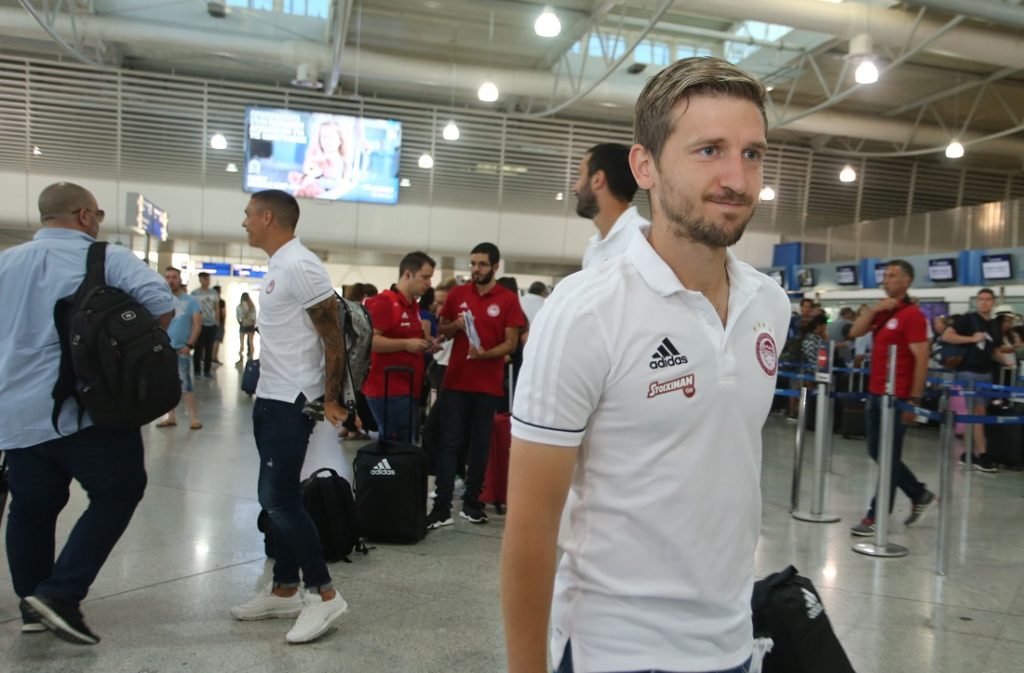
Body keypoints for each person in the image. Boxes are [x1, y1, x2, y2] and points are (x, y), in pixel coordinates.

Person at [501, 57, 790, 673]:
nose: (737, 179)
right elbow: (530, 526)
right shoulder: (584, 312)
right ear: (645, 166)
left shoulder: (770, 305)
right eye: (709, 150)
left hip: (731, 644)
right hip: (615, 650)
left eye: (752, 154)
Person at [0, 182, 175, 644]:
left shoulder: (5, 263)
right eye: (96, 214)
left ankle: (32, 605)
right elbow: (161, 305)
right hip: (87, 410)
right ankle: (60, 594)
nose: (97, 221)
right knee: (120, 490)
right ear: (83, 215)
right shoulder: (105, 258)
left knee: (31, 507)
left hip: (16, 412)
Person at [230, 189, 350, 644]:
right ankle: (284, 589)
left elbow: (333, 335)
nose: (243, 222)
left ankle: (324, 595)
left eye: (248, 214)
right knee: (276, 496)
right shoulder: (279, 265)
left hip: (292, 400)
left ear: (268, 217)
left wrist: (332, 398)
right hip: (270, 395)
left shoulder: (300, 265)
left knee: (279, 498)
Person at [427, 242, 526, 528]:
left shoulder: (508, 299)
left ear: (495, 266)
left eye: (482, 264)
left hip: (488, 385)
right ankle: (441, 507)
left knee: (480, 446)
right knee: (450, 443)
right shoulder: (458, 294)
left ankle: (472, 503)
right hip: (456, 382)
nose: (476, 269)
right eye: (472, 264)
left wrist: (486, 354)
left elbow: (511, 343)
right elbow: (442, 331)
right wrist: (454, 327)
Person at [847, 260, 935, 536]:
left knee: (887, 455)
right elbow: (854, 332)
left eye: (893, 276)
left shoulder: (913, 316)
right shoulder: (884, 312)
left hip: (897, 398)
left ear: (907, 281)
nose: (886, 280)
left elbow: (922, 359)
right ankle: (918, 493)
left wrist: (914, 400)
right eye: (885, 275)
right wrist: (875, 309)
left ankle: (877, 515)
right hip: (876, 394)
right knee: (878, 451)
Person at [363, 251, 436, 442]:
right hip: (388, 388)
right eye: (425, 277)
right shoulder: (385, 302)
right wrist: (406, 344)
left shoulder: (412, 306)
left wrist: (426, 343)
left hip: (409, 386)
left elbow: (409, 338)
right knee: (395, 447)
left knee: (405, 445)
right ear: (408, 274)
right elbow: (370, 341)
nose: (429, 283)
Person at [941, 288, 1000, 472]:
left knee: (978, 414)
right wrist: (971, 338)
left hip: (986, 373)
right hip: (969, 371)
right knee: (978, 411)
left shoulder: (994, 325)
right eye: (981, 299)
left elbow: (993, 351)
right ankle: (982, 454)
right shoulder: (968, 319)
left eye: (988, 299)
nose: (984, 302)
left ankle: (969, 453)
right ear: (976, 302)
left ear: (993, 302)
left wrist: (1009, 362)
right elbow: (947, 335)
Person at [576, 143, 647, 270]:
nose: (575, 188)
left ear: (597, 180)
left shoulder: (643, 239)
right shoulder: (592, 249)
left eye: (580, 175)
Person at [157, 267, 203, 430]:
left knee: (185, 383)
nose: (171, 280)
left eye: (174, 277)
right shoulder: (160, 300)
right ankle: (171, 416)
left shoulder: (191, 301)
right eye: (168, 277)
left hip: (181, 349)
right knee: (166, 384)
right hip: (164, 349)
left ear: (179, 279)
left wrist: (189, 345)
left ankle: (193, 418)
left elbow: (197, 325)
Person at [290, 117, 351, 199]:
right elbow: (311, 170)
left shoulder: (337, 160)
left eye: (331, 137)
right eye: (324, 137)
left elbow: (336, 184)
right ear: (320, 140)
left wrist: (315, 181)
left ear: (340, 140)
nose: (327, 141)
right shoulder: (319, 158)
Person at [190, 272, 219, 378]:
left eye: (208, 279)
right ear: (200, 280)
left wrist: (217, 321)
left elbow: (216, 307)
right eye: (205, 279)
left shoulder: (214, 293)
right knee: (198, 348)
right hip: (199, 325)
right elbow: (191, 309)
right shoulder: (194, 294)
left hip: (211, 325)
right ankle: (197, 370)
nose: (207, 281)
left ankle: (207, 370)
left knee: (209, 348)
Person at [236, 292, 258, 364]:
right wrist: (253, 323)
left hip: (243, 325)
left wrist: (241, 323)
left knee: (241, 344)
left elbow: (238, 317)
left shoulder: (239, 306)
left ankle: (240, 358)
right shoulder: (252, 306)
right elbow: (254, 317)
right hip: (250, 325)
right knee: (251, 343)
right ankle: (251, 358)